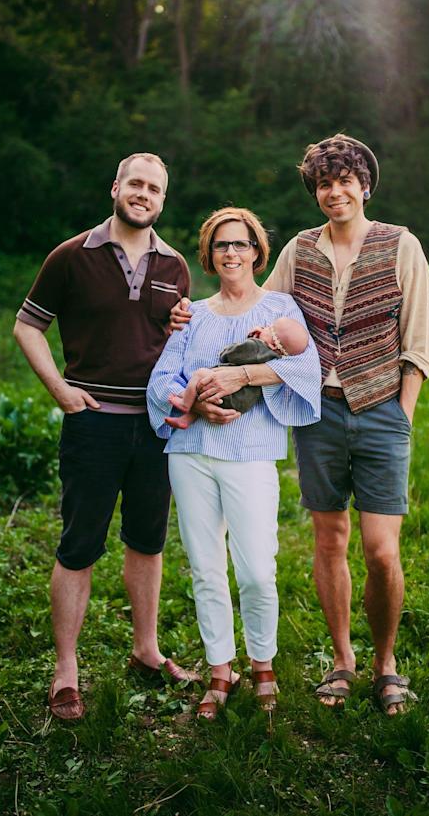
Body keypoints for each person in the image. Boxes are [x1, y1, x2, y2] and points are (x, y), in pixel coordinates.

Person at [170, 134, 429, 715]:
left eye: (344, 181)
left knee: (382, 550)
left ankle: (386, 663)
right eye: (323, 184)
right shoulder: (298, 249)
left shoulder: (400, 246)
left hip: (382, 407)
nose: (334, 192)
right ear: (315, 192)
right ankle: (342, 661)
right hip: (318, 413)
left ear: (365, 186)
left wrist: (401, 412)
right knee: (329, 538)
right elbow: (261, 306)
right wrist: (189, 314)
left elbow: (418, 340)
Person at [13, 152, 199, 721]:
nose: (144, 194)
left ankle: (146, 650)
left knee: (148, 541)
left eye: (155, 189)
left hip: (154, 427)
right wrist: (59, 390)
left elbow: (178, 345)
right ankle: (66, 670)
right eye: (136, 184)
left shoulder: (175, 266)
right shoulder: (72, 256)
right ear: (116, 187)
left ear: (163, 200)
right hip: (92, 421)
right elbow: (27, 326)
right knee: (79, 544)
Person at [147, 207, 321, 720]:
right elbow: (160, 380)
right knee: (205, 569)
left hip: (250, 455)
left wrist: (242, 379)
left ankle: (262, 663)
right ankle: (220, 668)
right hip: (192, 455)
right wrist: (192, 401)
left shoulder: (280, 309)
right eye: (221, 245)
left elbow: (306, 368)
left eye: (240, 244)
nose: (231, 253)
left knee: (256, 571)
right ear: (209, 254)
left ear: (256, 251)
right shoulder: (192, 313)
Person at [165, 315, 310, 428]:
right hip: (243, 402)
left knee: (200, 374)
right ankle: (186, 420)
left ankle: (185, 402)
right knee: (208, 397)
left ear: (272, 343)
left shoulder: (257, 347)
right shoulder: (277, 360)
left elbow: (228, 355)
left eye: (269, 328)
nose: (264, 327)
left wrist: (249, 339)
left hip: (229, 393)